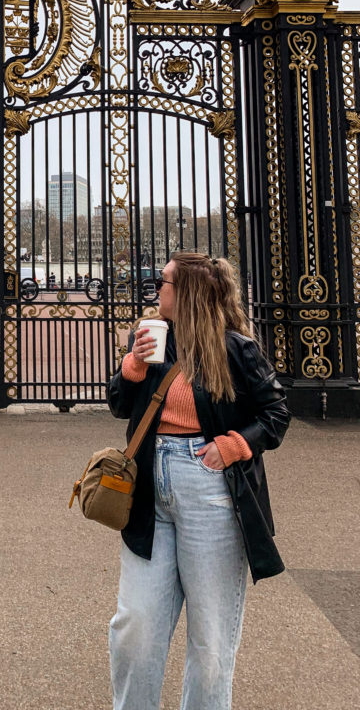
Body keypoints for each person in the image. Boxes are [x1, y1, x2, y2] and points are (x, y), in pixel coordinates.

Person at [106, 251, 290, 710]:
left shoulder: (236, 349)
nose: (156, 290)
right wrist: (131, 369)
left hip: (210, 489)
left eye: (163, 282)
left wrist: (233, 446)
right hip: (150, 485)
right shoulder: (151, 339)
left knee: (210, 642)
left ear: (185, 293)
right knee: (135, 627)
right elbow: (120, 406)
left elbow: (276, 413)